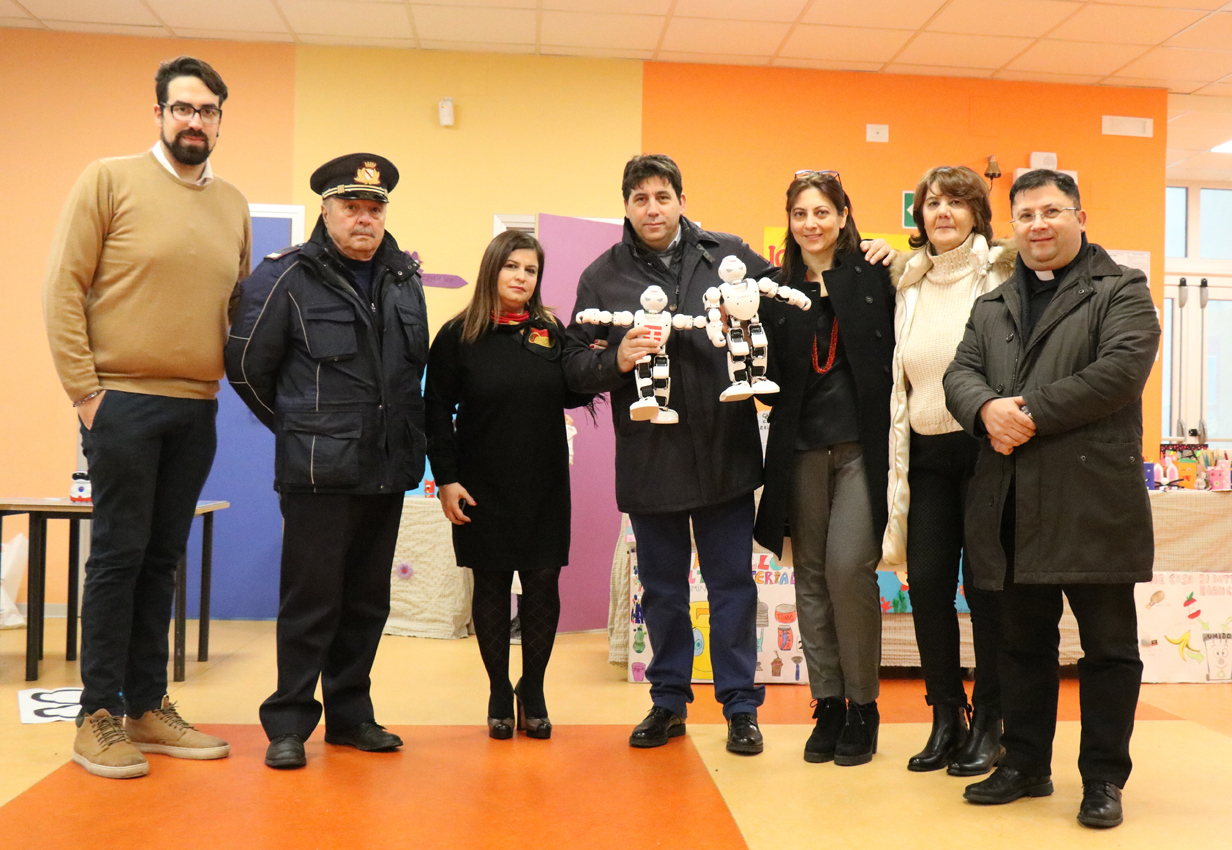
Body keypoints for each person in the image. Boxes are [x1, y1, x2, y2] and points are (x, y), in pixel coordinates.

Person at [43, 56, 249, 779]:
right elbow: (63, 287)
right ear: (159, 113)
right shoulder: (108, 180)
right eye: (182, 108)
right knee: (117, 558)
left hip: (196, 407)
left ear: (219, 121)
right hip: (121, 401)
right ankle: (96, 716)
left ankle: (146, 706)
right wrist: (86, 393)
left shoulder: (233, 204)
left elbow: (239, 306)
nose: (195, 121)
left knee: (161, 560)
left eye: (208, 110)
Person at [943, 170, 1159, 828]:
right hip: (1011, 500)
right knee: (1020, 646)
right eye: (1026, 214)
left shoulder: (1122, 289)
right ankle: (1025, 764)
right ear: (1012, 226)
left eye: (1051, 211)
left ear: (1080, 217)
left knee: (1108, 649)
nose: (1038, 224)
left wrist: (1024, 414)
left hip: (1093, 499)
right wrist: (985, 409)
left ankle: (1103, 779)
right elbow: (960, 373)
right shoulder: (992, 304)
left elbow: (1118, 372)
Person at [225, 153, 429, 770]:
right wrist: (303, 430)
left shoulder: (403, 278)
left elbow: (408, 373)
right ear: (326, 209)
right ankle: (288, 723)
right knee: (311, 602)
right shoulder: (286, 275)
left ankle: (350, 716)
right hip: (317, 474)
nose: (364, 218)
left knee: (367, 603)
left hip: (386, 469)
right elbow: (246, 367)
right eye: (351, 207)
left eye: (374, 208)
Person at [563, 154, 771, 755]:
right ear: (626, 206)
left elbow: (784, 310)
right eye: (640, 199)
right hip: (651, 457)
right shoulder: (602, 276)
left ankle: (740, 707)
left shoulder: (727, 254)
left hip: (725, 452)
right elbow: (572, 369)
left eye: (662, 196)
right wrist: (615, 359)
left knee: (733, 586)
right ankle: (669, 702)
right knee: (662, 589)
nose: (652, 209)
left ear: (681, 199)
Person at [425, 231, 594, 740]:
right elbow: (435, 412)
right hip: (482, 483)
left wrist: (599, 359)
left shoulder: (550, 332)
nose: (521, 277)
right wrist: (446, 478)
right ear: (492, 269)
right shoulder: (457, 335)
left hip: (544, 481)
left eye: (531, 270)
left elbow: (572, 392)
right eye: (512, 266)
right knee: (492, 585)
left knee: (543, 585)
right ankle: (499, 690)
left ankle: (533, 690)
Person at [753, 171, 894, 766]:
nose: (811, 224)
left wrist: (888, 253)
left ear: (843, 216)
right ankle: (829, 702)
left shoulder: (875, 275)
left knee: (846, 570)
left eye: (822, 212)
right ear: (789, 222)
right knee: (808, 576)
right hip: (800, 450)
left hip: (862, 447)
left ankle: (864, 705)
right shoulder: (774, 291)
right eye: (800, 214)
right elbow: (762, 379)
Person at [881, 166, 1015, 775]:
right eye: (933, 202)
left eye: (957, 202)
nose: (943, 212)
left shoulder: (1002, 273)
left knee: (987, 589)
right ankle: (946, 716)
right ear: (919, 216)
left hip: (986, 450)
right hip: (927, 454)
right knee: (930, 585)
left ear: (977, 214)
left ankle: (991, 719)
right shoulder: (907, 280)